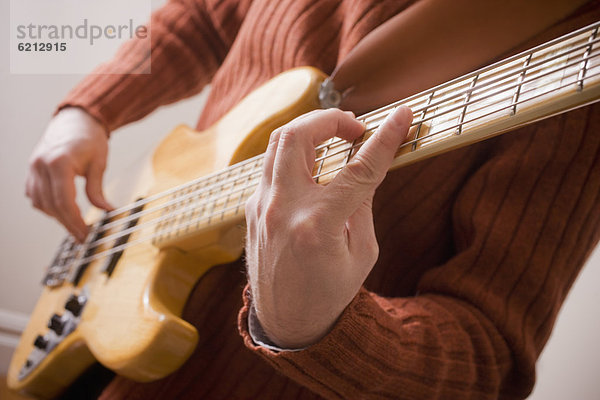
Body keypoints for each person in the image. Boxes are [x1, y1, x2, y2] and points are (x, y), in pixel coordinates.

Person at [25, 0, 600, 398]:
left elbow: (490, 360)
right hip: (98, 297)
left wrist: (316, 325)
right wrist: (88, 110)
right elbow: (201, 18)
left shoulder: (578, 61)